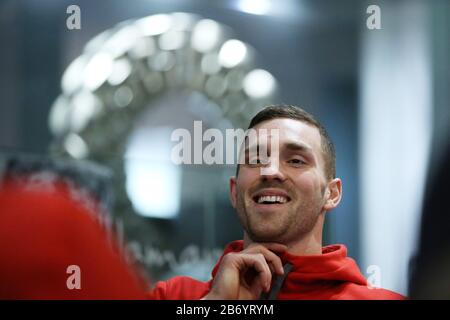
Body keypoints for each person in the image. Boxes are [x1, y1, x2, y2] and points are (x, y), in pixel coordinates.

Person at [150, 105, 405, 300]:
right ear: (234, 192)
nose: (269, 171)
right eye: (255, 159)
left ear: (332, 194)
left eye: (295, 161)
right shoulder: (174, 296)